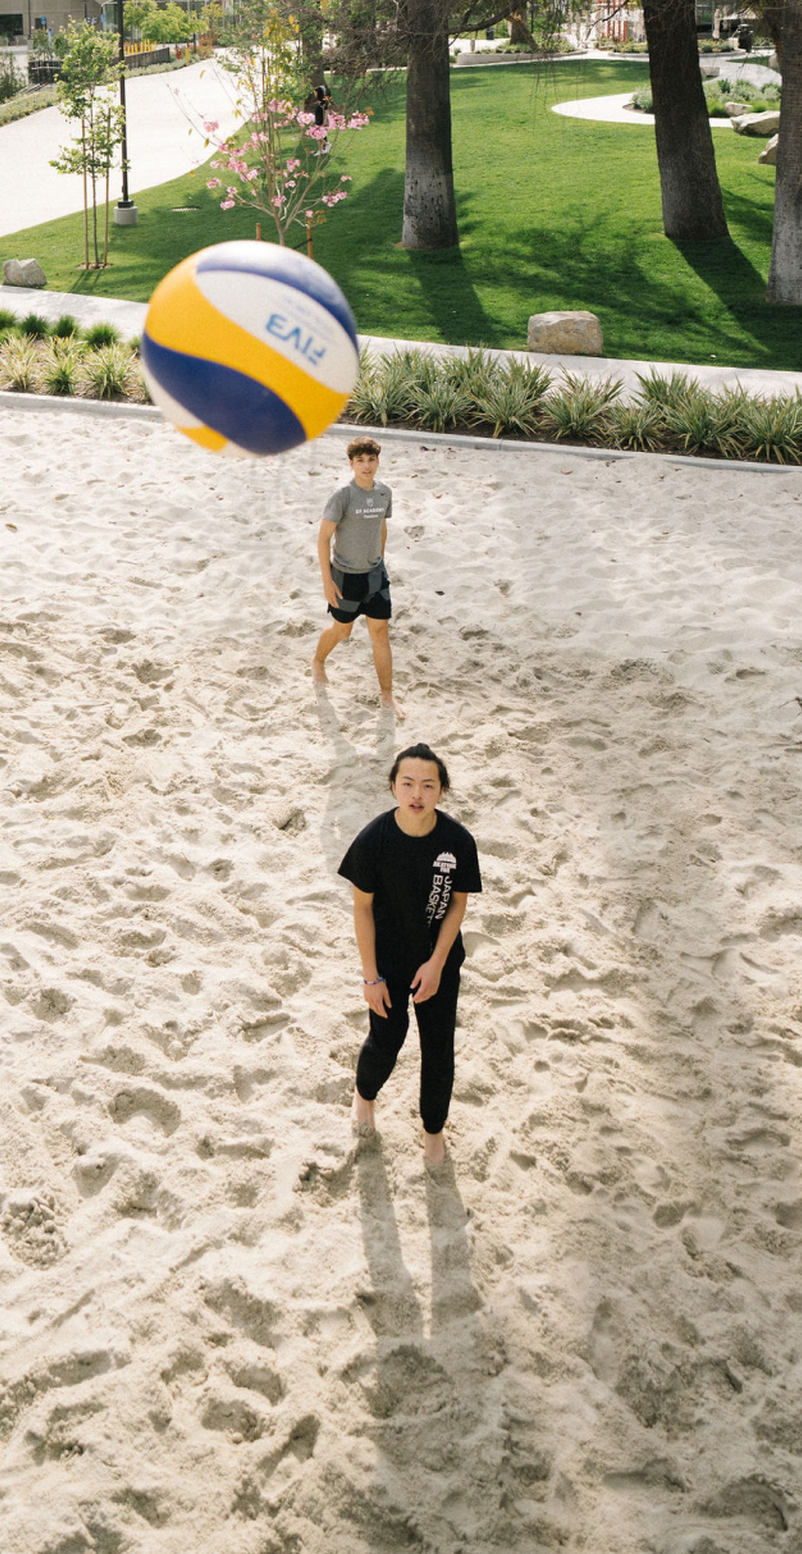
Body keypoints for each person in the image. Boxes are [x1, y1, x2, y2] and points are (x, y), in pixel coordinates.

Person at [337, 743, 482, 1167]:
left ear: (441, 790)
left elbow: (457, 902)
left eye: (427, 785)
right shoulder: (373, 840)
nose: (417, 793)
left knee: (439, 1049)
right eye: (408, 784)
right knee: (388, 1038)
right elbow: (362, 908)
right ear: (394, 788)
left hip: (437, 962)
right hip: (387, 962)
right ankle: (364, 1097)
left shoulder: (457, 841)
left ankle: (433, 1132)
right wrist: (370, 977)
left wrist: (437, 963)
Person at [313, 435, 398, 710]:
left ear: (377, 461)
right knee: (342, 631)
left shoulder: (384, 492)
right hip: (345, 576)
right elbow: (324, 538)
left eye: (371, 460)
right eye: (360, 460)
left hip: (375, 574)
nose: (366, 466)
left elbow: (382, 527)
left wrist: (380, 560)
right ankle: (318, 661)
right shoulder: (343, 496)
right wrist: (327, 582)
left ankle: (387, 694)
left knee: (380, 633)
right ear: (351, 464)